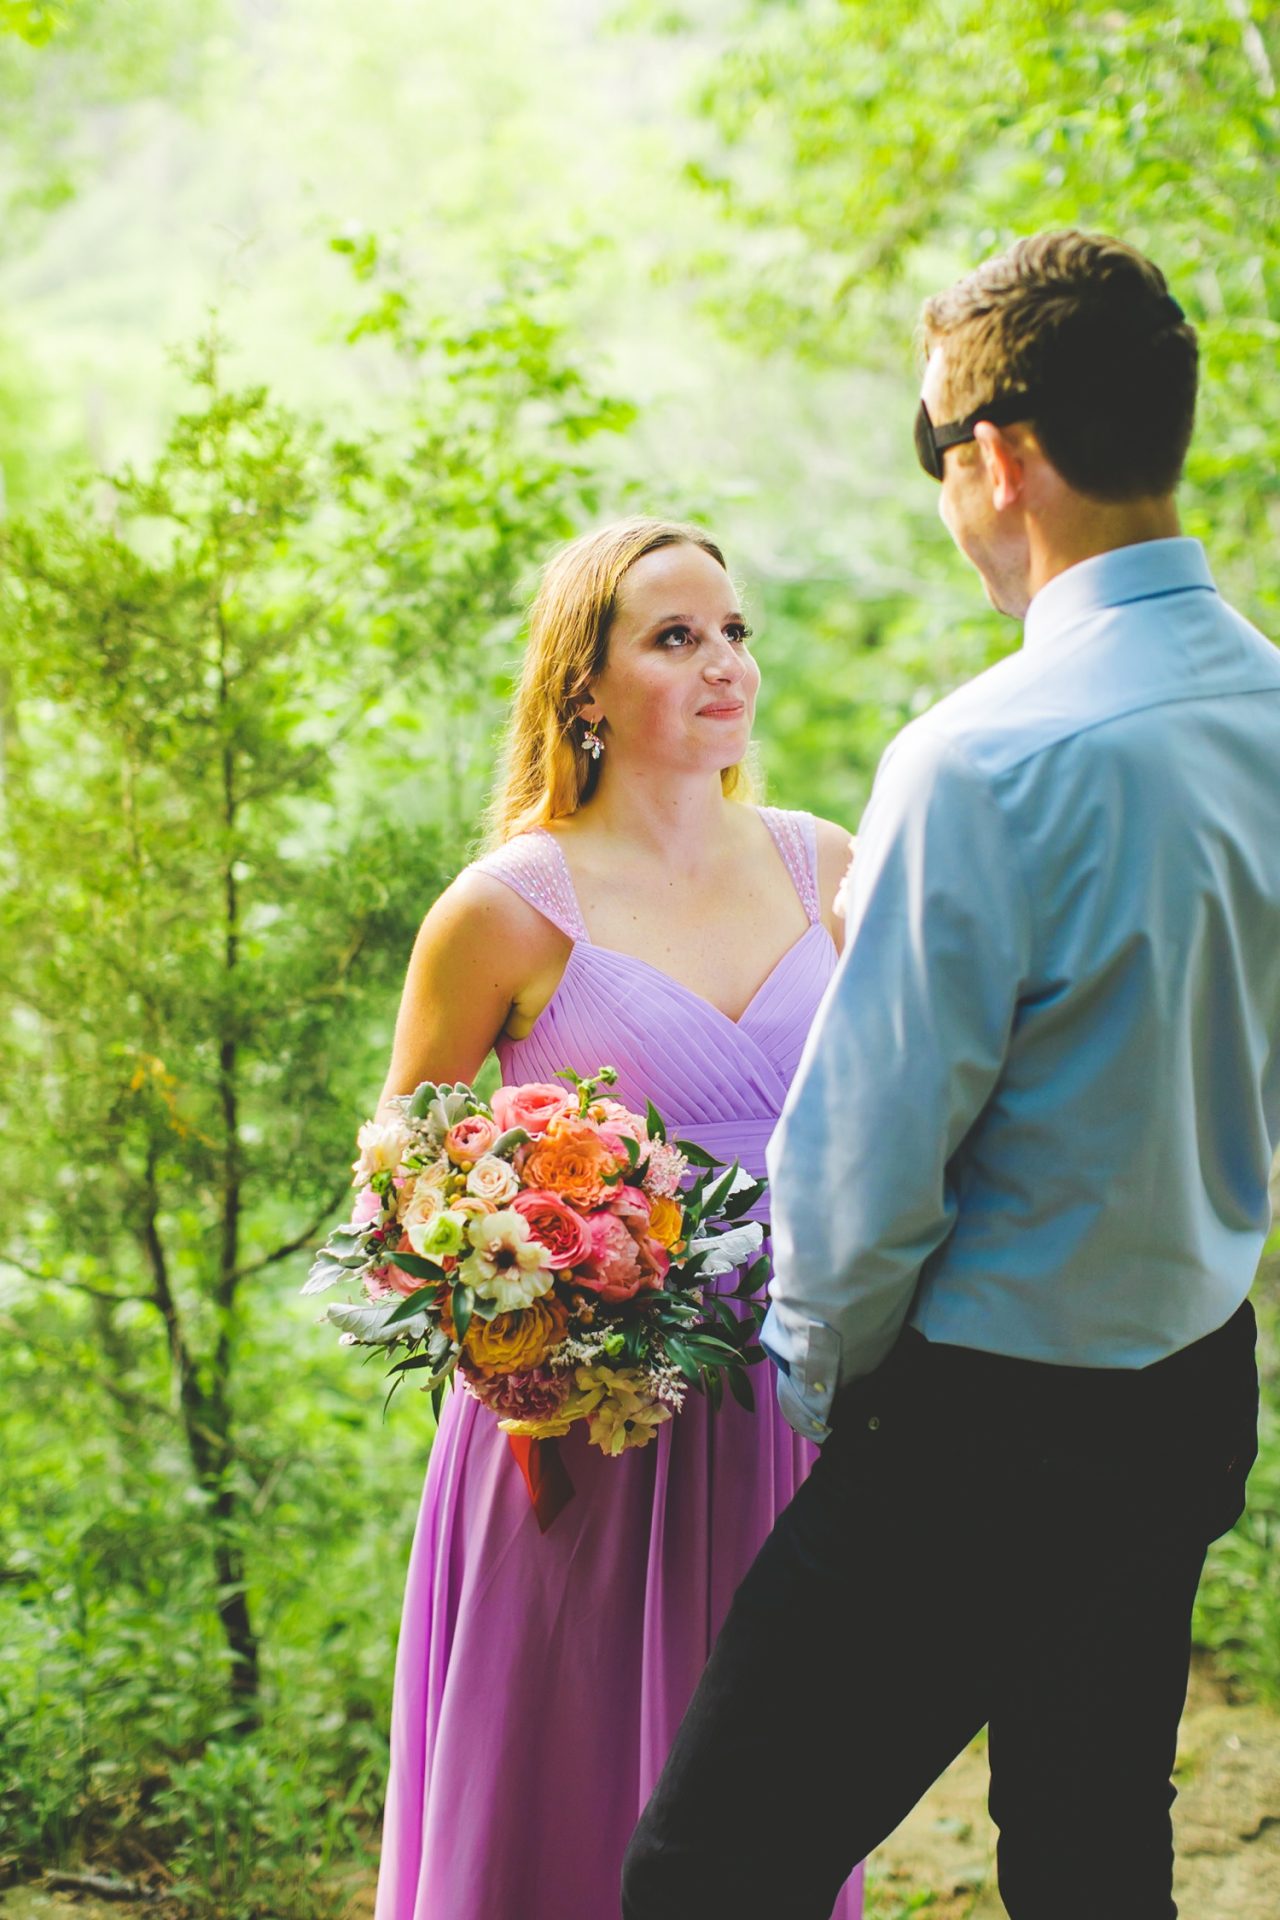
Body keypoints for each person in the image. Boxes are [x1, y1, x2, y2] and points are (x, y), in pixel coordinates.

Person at [622, 231, 1280, 1920]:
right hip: (1195, 1382)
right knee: (1088, 1843)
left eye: (933, 448)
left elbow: (862, 1173)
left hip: (986, 1423)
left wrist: (835, 1396)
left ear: (995, 454)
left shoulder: (979, 758)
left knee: (705, 1872)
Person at [372, 516, 865, 1920]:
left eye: (734, 632)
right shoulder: (506, 911)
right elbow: (397, 1177)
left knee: (775, 1797)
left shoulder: (828, 868)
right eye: (674, 637)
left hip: (791, 1405)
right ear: (583, 688)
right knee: (570, 1789)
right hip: (585, 1430)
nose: (725, 665)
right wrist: (526, 1314)